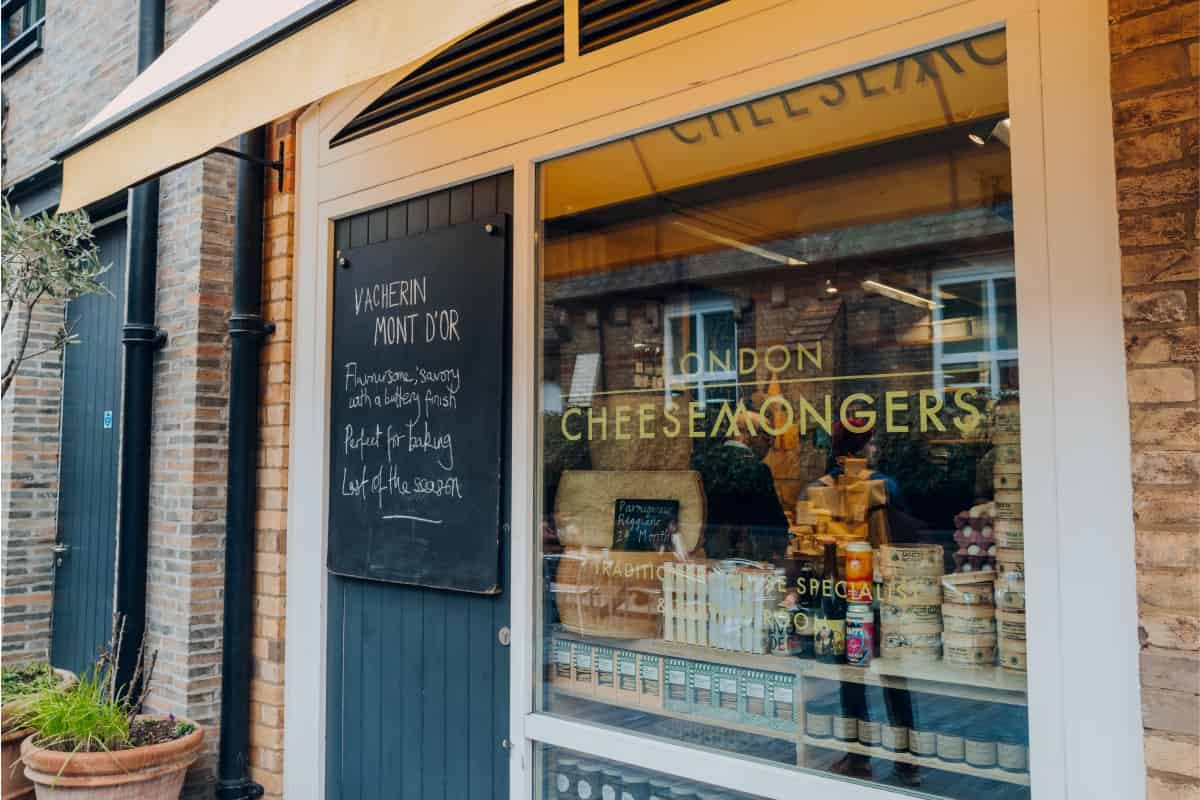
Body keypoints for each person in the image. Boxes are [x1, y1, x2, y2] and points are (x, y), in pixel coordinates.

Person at [691, 408, 790, 562]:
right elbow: (776, 526)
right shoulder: (757, 469)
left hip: (703, 553)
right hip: (744, 558)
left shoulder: (700, 461)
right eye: (767, 439)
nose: (769, 446)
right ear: (750, 436)